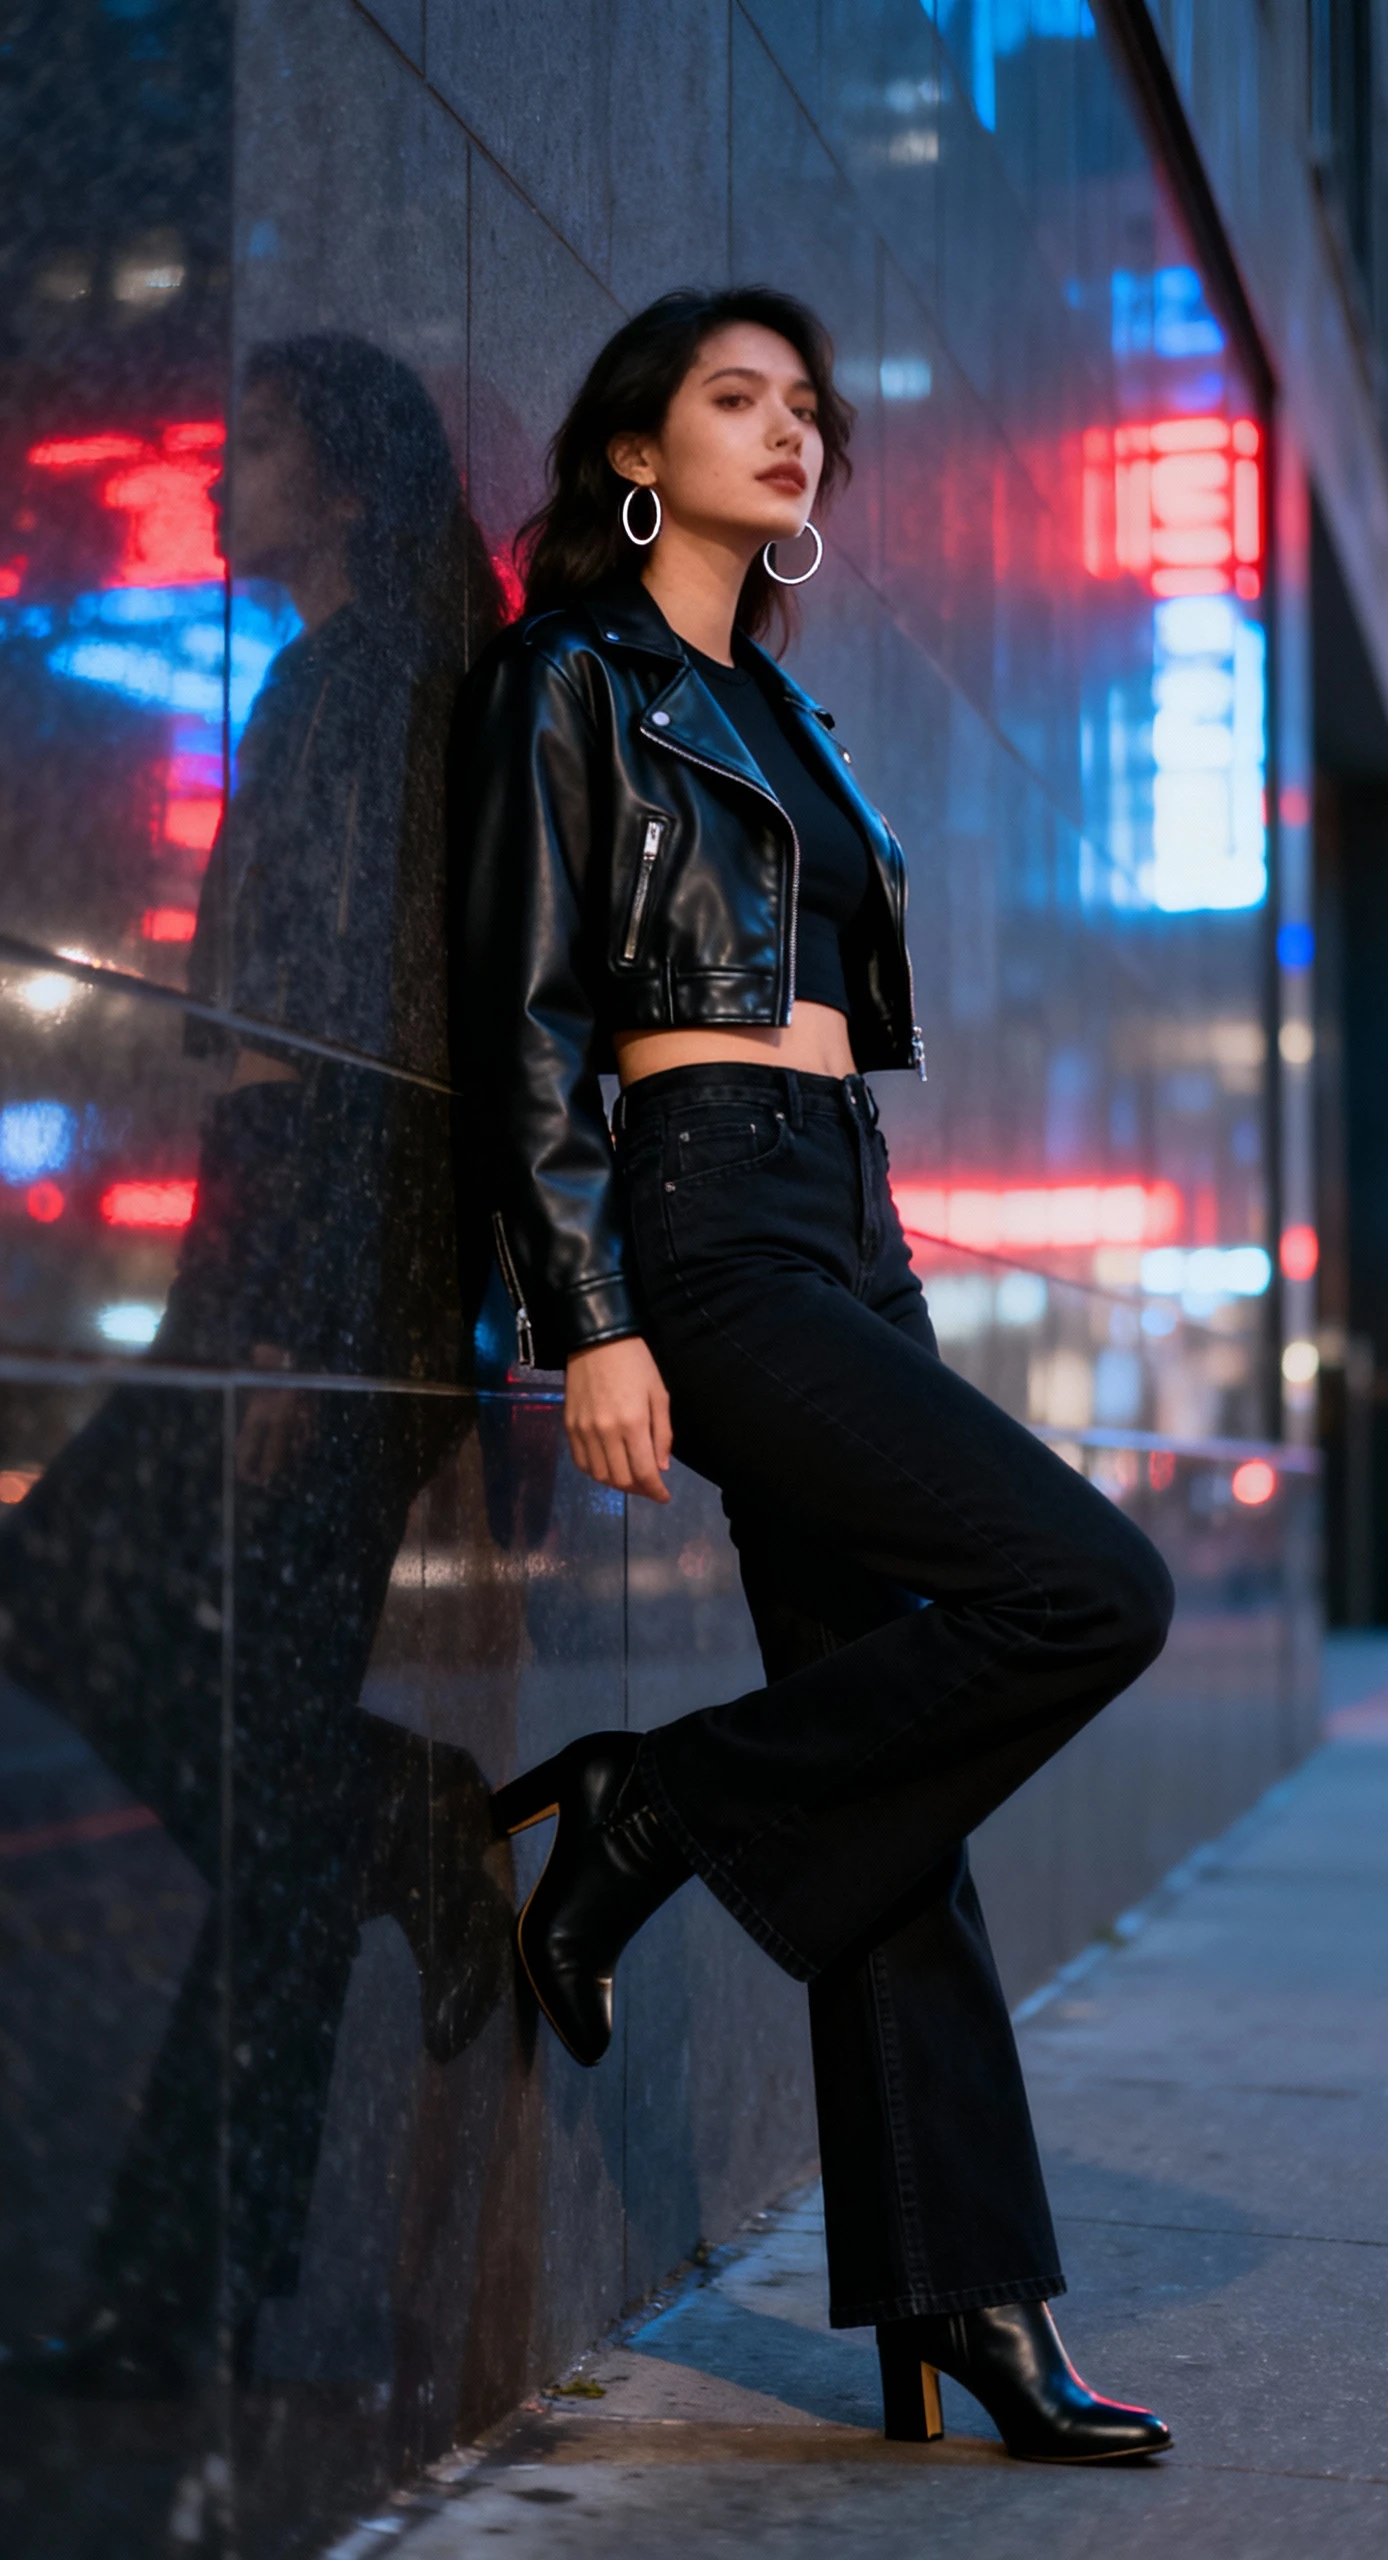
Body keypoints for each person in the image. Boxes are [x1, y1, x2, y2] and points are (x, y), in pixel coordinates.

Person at [449, 287, 1176, 2462]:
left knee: (900, 1770)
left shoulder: (792, 716)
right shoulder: (577, 678)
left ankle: (968, 2287)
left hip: (848, 1218)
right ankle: (647, 1803)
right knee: (1092, 1590)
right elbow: (528, 1016)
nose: (790, 433)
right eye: (734, 400)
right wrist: (593, 1309)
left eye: (807, 410)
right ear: (636, 454)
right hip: (708, 1218)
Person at [1, 335, 516, 2398]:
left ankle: (170, 2294)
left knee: (72, 1597)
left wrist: (296, 1314)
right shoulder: (376, 676)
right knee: (274, 1771)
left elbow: (363, 1031)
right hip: (323, 1278)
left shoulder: (363, 684)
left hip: (314, 1289)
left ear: (360, 472)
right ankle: (406, 1840)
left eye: (267, 446)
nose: (230, 480)